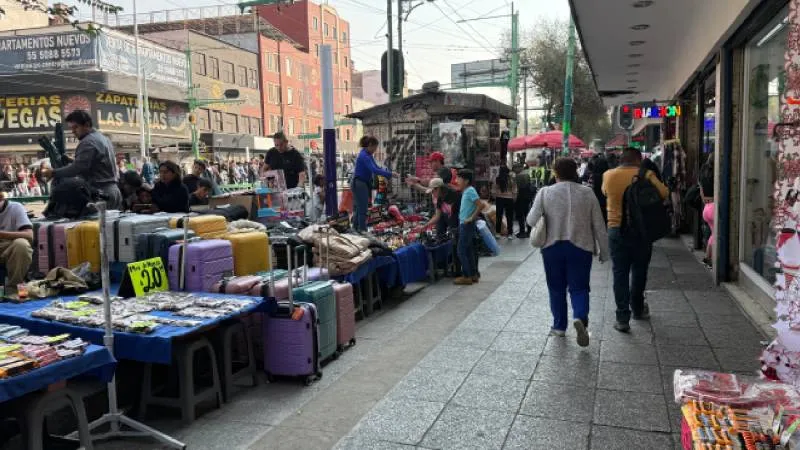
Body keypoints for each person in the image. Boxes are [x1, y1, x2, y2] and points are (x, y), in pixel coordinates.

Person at [527, 158, 609, 345]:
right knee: (579, 287)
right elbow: (599, 225)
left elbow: (531, 220)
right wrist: (604, 252)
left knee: (556, 288)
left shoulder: (545, 192)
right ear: (575, 172)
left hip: (551, 248)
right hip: (581, 247)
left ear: (556, 173)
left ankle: (559, 327)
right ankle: (580, 316)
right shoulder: (587, 193)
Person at [602, 147, 669, 332]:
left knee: (619, 273)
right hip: (641, 230)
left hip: (616, 228)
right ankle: (638, 309)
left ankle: (622, 318)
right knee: (639, 270)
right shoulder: (646, 174)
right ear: (638, 160)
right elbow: (664, 193)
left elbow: (605, 193)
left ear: (621, 160)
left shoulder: (608, 175)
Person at [41, 110, 123, 209]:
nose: (73, 131)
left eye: (76, 127)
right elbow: (95, 163)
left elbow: (77, 168)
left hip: (100, 194)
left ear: (87, 125)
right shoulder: (103, 139)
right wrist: (72, 161)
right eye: (71, 128)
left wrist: (53, 173)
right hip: (114, 192)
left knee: (95, 224)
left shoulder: (88, 142)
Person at [351, 136, 396, 231]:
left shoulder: (368, 155)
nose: (375, 150)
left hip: (363, 183)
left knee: (360, 208)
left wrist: (389, 173)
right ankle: (363, 231)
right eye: (375, 148)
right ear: (370, 145)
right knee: (362, 210)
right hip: (359, 183)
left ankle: (355, 229)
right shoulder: (364, 156)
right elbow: (374, 170)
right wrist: (390, 174)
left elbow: (377, 167)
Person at [455, 169, 484, 286]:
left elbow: (480, 205)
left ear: (466, 181)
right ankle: (473, 274)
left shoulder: (470, 190)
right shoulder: (466, 191)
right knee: (469, 250)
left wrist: (471, 218)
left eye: (459, 178)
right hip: (465, 224)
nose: (457, 181)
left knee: (461, 250)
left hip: (466, 225)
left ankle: (466, 276)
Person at [0, 191, 33, 291]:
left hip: (9, 248)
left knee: (22, 245)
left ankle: (13, 288)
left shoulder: (15, 207)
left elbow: (29, 235)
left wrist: (1, 234)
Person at [492, 166, 517, 240]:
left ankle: (497, 233)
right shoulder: (511, 179)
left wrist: (494, 196)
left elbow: (493, 189)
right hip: (509, 199)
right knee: (509, 216)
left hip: (499, 199)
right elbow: (514, 189)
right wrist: (514, 197)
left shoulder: (497, 179)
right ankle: (510, 234)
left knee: (499, 216)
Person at [700, 153, 715, 266]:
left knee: (713, 234)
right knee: (716, 235)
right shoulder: (716, 174)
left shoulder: (703, 174)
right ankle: (711, 259)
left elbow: (701, 193)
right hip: (714, 206)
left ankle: (706, 257)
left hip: (706, 208)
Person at [514, 164, 534, 238]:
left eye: (515, 168)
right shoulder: (527, 174)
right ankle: (529, 231)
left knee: (520, 215)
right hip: (527, 197)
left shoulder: (518, 176)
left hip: (520, 197)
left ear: (519, 168)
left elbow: (516, 187)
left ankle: (522, 231)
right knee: (526, 214)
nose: (514, 170)